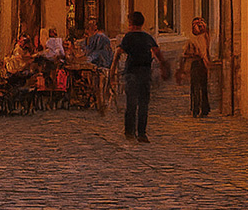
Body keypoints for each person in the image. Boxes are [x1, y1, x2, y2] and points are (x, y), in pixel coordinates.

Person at [119, 10, 169, 142]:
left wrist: (113, 69)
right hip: (145, 73)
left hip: (132, 72)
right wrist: (164, 66)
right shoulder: (147, 37)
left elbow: (119, 52)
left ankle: (129, 132)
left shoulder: (128, 37)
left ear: (131, 24)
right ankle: (141, 133)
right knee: (143, 104)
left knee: (131, 103)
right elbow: (157, 53)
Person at [82, 19, 115, 116]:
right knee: (96, 87)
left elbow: (99, 53)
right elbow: (88, 50)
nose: (89, 29)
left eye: (91, 26)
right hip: (96, 66)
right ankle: (100, 106)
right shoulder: (90, 38)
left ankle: (103, 106)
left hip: (104, 65)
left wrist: (88, 58)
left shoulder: (101, 38)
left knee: (101, 87)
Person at [181, 16, 213, 117]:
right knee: (197, 87)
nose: (196, 27)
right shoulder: (195, 38)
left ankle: (201, 108)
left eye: (198, 25)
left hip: (200, 63)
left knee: (200, 87)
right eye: (194, 25)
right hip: (197, 63)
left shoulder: (203, 37)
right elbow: (186, 52)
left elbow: (204, 53)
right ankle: (198, 108)